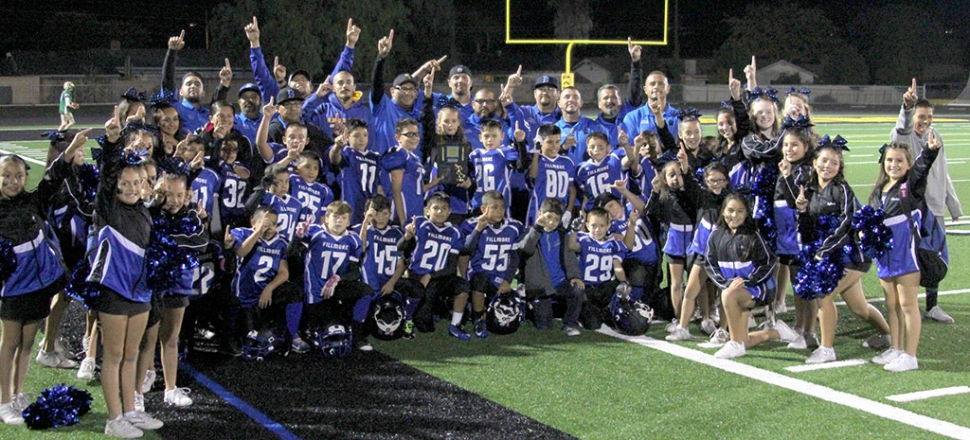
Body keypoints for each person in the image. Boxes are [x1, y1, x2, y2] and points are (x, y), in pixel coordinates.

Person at [0, 130, 86, 424]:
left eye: (19, 176)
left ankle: (18, 392)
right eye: (6, 177)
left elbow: (52, 178)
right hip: (12, 287)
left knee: (26, 343)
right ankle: (3, 402)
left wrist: (70, 149)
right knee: (9, 343)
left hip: (37, 285)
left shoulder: (32, 201)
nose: (13, 182)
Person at [88, 108, 165, 437]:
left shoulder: (144, 212)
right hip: (115, 291)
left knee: (132, 355)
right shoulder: (108, 208)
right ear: (116, 186)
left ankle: (131, 411)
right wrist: (113, 140)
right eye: (126, 183)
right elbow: (106, 173)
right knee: (115, 355)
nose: (133, 188)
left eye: (138, 182)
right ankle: (113, 419)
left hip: (140, 293)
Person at [790, 136, 890, 364]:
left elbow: (847, 223)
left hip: (852, 255)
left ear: (840, 167)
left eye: (834, 163)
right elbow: (807, 232)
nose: (828, 166)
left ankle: (827, 350)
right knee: (859, 308)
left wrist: (823, 251)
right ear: (815, 162)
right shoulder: (811, 189)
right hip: (830, 255)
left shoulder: (842, 190)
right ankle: (887, 334)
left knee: (824, 297)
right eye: (824, 161)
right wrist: (803, 211)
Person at [891, 79, 962, 324]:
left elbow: (944, 171)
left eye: (929, 116)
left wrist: (953, 204)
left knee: (933, 255)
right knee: (906, 253)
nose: (926, 121)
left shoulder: (936, 135)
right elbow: (900, 129)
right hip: (911, 208)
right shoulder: (905, 134)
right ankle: (900, 304)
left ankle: (932, 305)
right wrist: (906, 109)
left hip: (934, 207)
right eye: (922, 116)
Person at [867, 137, 941, 372]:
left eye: (900, 161)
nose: (894, 164)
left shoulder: (912, 186)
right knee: (892, 304)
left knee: (908, 305)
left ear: (909, 164)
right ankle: (896, 349)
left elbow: (922, 169)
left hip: (906, 255)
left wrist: (928, 152)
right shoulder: (880, 191)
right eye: (889, 160)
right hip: (885, 256)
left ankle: (911, 355)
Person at [706, 194, 799, 359]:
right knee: (745, 341)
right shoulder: (715, 236)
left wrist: (748, 281)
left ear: (747, 213)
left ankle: (734, 343)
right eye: (731, 210)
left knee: (727, 294)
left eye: (740, 211)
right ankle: (777, 332)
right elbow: (710, 264)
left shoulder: (753, 236)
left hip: (759, 288)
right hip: (735, 289)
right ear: (723, 211)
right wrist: (726, 282)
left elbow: (769, 262)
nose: (734, 215)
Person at [667, 162, 731, 341]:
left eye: (720, 180)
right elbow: (691, 184)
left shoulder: (731, 199)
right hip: (703, 253)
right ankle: (683, 327)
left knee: (725, 293)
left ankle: (723, 330)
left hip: (724, 255)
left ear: (726, 181)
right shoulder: (702, 196)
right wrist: (686, 168)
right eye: (712, 181)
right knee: (690, 290)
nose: (717, 184)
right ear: (706, 181)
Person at [296, 201, 372, 350]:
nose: (339, 221)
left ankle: (357, 335)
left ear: (349, 222)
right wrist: (299, 235)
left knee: (366, 291)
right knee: (318, 331)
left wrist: (338, 279)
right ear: (326, 218)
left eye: (343, 218)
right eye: (335, 217)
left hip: (337, 287)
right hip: (316, 290)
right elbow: (294, 246)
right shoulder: (314, 232)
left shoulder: (353, 240)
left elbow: (354, 270)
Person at [396, 192, 469, 338]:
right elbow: (400, 249)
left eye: (444, 208)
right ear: (427, 210)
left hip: (441, 276)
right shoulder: (420, 224)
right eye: (436, 208)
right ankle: (435, 308)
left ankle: (455, 325)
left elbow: (451, 267)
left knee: (463, 286)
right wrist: (407, 237)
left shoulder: (455, 232)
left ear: (449, 211)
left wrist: (430, 275)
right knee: (425, 325)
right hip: (418, 276)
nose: (440, 212)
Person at [516, 198, 585, 335]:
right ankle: (530, 308)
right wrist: (536, 228)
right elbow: (525, 250)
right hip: (540, 286)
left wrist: (575, 277)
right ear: (540, 213)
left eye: (556, 219)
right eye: (548, 217)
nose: (552, 222)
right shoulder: (530, 232)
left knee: (577, 290)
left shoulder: (561, 235)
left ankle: (570, 324)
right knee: (545, 326)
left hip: (559, 283)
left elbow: (570, 258)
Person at [459, 191, 523, 338]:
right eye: (494, 207)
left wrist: (507, 281)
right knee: (479, 281)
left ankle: (478, 307)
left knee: (506, 313)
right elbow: (466, 250)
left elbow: (514, 258)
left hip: (501, 277)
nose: (500, 211)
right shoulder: (471, 224)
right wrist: (478, 229)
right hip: (478, 275)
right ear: (483, 209)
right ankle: (477, 319)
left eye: (502, 207)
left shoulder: (514, 227)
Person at [227, 206, 291, 349]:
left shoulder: (281, 243)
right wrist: (258, 231)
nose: (269, 228)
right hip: (243, 295)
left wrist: (269, 288)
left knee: (292, 290)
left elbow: (284, 272)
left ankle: (294, 334)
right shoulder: (242, 233)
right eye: (265, 223)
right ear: (253, 222)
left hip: (265, 295)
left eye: (273, 224)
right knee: (248, 339)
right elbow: (241, 251)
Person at [357, 195, 413, 337]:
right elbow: (360, 249)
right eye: (376, 214)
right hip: (370, 285)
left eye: (385, 214)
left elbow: (401, 264)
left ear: (390, 214)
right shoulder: (363, 231)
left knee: (415, 289)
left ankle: (409, 320)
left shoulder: (396, 233)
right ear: (367, 214)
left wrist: (391, 283)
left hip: (390, 281)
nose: (380, 218)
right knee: (365, 324)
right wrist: (365, 223)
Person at [369, 29, 426, 155]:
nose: (408, 93)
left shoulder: (420, 116)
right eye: (403, 88)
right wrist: (381, 58)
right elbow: (377, 85)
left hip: (413, 171)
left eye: (412, 89)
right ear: (392, 91)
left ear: (416, 93)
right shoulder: (383, 107)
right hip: (385, 170)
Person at [468, 119, 528, 213]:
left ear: (502, 137)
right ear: (480, 137)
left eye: (494, 136)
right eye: (486, 136)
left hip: (499, 204)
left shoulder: (506, 152)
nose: (490, 139)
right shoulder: (474, 154)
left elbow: (521, 166)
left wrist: (520, 142)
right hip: (478, 204)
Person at [331, 119, 381, 224]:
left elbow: (380, 184)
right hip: (351, 202)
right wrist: (337, 147)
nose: (361, 139)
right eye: (356, 136)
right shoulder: (347, 151)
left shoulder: (375, 157)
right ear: (347, 137)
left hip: (370, 202)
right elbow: (334, 159)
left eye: (365, 135)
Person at [382, 118, 430, 226]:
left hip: (415, 212)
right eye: (410, 134)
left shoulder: (415, 158)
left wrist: (435, 182)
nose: (415, 138)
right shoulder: (399, 153)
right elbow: (396, 190)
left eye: (416, 134)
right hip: (401, 215)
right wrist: (403, 221)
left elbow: (415, 189)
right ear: (398, 137)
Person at [526, 124, 576, 226]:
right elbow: (532, 177)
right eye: (549, 142)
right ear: (541, 142)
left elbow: (572, 189)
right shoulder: (537, 160)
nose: (554, 146)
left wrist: (569, 211)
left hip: (560, 216)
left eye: (557, 142)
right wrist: (536, 151)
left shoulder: (567, 162)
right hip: (539, 214)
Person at [576, 132, 638, 212]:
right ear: (588, 151)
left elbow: (630, 159)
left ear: (608, 148)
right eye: (592, 147)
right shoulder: (581, 169)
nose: (596, 150)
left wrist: (625, 144)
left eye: (600, 147)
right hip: (597, 213)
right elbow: (586, 197)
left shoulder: (614, 158)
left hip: (619, 208)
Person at [620, 71, 680, 149]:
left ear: (668, 88)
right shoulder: (632, 117)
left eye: (661, 84)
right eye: (652, 84)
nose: (656, 87)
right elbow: (628, 147)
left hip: (670, 160)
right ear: (645, 89)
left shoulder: (678, 116)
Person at [555, 87, 610, 165]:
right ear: (559, 103)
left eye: (575, 97)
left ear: (581, 103)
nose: (571, 100)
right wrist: (563, 147)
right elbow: (546, 157)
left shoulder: (597, 128)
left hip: (590, 175)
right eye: (567, 97)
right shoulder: (553, 130)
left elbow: (609, 155)